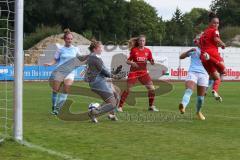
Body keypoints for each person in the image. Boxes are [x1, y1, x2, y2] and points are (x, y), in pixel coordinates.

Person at [118, 35, 158, 112]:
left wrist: (152, 62)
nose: (142, 42)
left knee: (152, 89)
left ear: (145, 42)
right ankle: (119, 107)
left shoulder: (148, 51)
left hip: (143, 73)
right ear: (138, 42)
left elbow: (151, 60)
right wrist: (132, 63)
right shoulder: (134, 50)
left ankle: (151, 106)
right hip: (134, 72)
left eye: (143, 41)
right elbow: (128, 61)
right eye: (140, 41)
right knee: (128, 89)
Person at [44, 29, 80, 115]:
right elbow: (55, 59)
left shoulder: (76, 49)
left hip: (70, 72)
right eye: (68, 38)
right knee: (55, 90)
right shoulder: (60, 49)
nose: (70, 40)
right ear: (64, 39)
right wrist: (50, 63)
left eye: (71, 39)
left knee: (66, 90)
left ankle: (57, 108)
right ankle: (54, 106)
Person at [85, 40, 120, 123]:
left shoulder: (92, 57)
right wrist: (115, 76)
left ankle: (111, 114)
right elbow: (105, 72)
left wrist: (115, 72)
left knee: (116, 93)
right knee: (112, 104)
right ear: (94, 49)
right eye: (100, 47)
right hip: (99, 83)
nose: (101, 49)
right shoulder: (95, 59)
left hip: (98, 82)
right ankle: (93, 112)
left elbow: (104, 71)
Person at [179, 37, 209, 120]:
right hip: (193, 72)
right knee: (189, 90)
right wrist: (188, 51)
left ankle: (198, 112)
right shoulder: (194, 50)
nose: (199, 41)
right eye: (198, 40)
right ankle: (183, 106)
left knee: (200, 98)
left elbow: (212, 62)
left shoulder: (209, 50)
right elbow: (181, 57)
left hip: (204, 75)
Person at [199, 12, 226, 102]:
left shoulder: (204, 33)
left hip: (203, 57)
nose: (216, 24)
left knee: (215, 77)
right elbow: (216, 39)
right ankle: (214, 89)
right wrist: (223, 44)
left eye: (218, 23)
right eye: (214, 22)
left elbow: (201, 45)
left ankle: (212, 90)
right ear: (210, 23)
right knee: (223, 71)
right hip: (212, 53)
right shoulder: (215, 30)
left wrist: (219, 46)